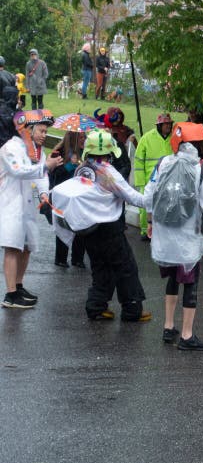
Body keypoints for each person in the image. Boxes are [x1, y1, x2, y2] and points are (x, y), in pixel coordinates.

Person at [51, 129, 152, 321]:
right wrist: (153, 196)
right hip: (109, 228)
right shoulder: (108, 172)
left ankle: (96, 306)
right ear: (110, 151)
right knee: (125, 267)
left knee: (100, 267)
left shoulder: (84, 168)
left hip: (89, 229)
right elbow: (132, 198)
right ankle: (132, 309)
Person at [144, 122, 203, 350]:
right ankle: (187, 336)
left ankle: (168, 327)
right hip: (188, 238)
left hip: (165, 236)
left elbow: (149, 196)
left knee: (171, 278)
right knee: (190, 283)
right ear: (199, 145)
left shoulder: (162, 164)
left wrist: (150, 222)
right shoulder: (202, 170)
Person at [0, 110, 62, 309]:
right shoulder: (10, 148)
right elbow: (18, 170)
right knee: (12, 247)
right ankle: (10, 295)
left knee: (26, 247)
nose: (44, 135)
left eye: (45, 131)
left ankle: (18, 286)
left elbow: (40, 177)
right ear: (28, 129)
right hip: (10, 204)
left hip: (27, 207)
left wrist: (44, 193)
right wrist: (46, 166)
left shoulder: (37, 151)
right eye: (41, 130)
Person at [48, 132, 87, 268]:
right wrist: (70, 164)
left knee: (81, 226)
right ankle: (61, 258)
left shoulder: (85, 153)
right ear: (73, 138)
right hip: (63, 196)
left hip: (79, 196)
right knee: (64, 225)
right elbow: (54, 175)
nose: (84, 140)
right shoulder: (59, 152)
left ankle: (78, 258)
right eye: (81, 137)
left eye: (85, 137)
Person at [134, 113, 173, 240]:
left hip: (168, 180)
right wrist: (140, 181)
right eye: (166, 124)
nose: (169, 126)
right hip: (149, 179)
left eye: (170, 124)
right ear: (160, 125)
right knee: (146, 206)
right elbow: (138, 160)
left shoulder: (174, 138)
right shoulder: (147, 138)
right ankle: (145, 231)